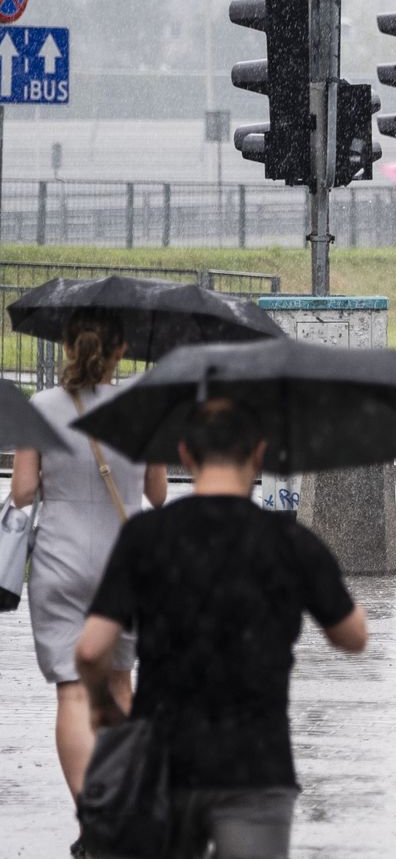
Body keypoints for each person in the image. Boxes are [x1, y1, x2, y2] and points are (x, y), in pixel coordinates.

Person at [75, 399, 368, 859]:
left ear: (186, 455)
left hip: (164, 765)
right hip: (257, 765)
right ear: (258, 454)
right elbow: (353, 637)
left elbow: (91, 650)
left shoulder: (147, 536)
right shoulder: (289, 541)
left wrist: (99, 706)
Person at [9, 308, 168, 859]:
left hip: (59, 563)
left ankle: (92, 821)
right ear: (121, 350)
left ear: (70, 344)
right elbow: (158, 494)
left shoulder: (41, 408)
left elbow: (24, 492)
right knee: (119, 686)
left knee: (73, 691)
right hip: (122, 565)